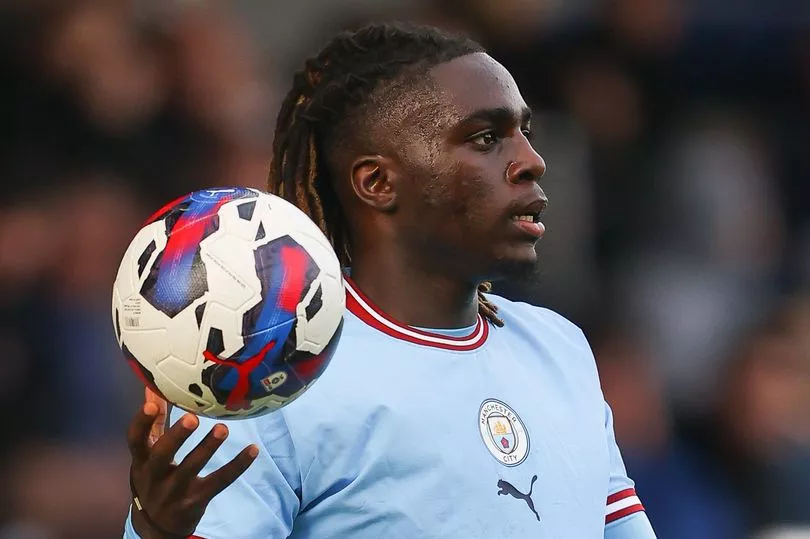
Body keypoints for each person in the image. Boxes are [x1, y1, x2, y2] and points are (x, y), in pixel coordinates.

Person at [124, 22, 657, 538]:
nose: (532, 162)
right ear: (378, 182)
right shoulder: (270, 373)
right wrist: (158, 534)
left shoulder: (559, 347)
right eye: (486, 138)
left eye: (526, 133)